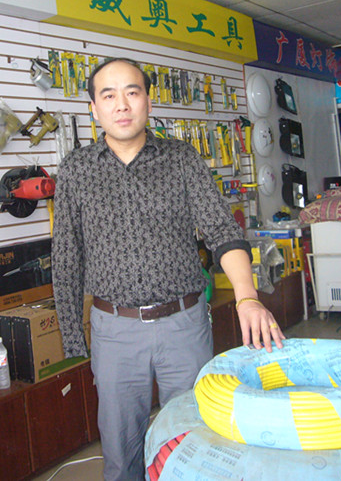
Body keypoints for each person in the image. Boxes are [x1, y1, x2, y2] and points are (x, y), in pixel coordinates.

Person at [52, 57, 284, 480]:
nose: (122, 104)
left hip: (184, 326)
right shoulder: (76, 170)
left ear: (148, 100)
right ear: (94, 109)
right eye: (109, 95)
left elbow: (222, 231)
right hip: (114, 331)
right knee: (121, 450)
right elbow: (66, 256)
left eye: (132, 92)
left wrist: (247, 298)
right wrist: (72, 337)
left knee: (194, 439)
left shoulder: (182, 159)